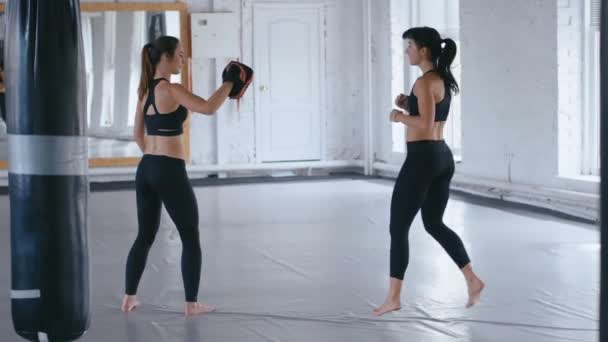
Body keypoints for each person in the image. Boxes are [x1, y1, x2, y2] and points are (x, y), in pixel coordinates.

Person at [121, 36, 253, 316]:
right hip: (169, 169)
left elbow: (137, 134)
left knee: (144, 235)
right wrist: (229, 83)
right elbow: (207, 107)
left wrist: (154, 161)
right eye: (180, 55)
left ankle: (129, 298)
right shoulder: (171, 88)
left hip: (146, 169)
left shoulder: (144, 90)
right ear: (166, 58)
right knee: (190, 236)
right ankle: (191, 304)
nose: (182, 59)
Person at [373, 27, 484, 317]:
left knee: (398, 228)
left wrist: (398, 116)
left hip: (422, 159)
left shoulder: (424, 82)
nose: (406, 50)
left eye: (409, 46)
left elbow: (423, 124)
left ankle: (393, 298)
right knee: (433, 223)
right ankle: (472, 279)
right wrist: (407, 103)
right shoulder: (440, 79)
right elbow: (431, 114)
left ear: (423, 50)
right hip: (441, 157)